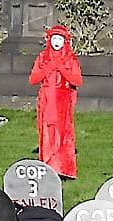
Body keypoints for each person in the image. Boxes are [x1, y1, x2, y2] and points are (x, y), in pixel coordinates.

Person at [28, 25, 82, 179]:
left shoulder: (70, 59)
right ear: (49, 39)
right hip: (46, 100)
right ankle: (48, 164)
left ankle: (63, 167)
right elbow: (33, 79)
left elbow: (77, 80)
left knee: (63, 132)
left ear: (65, 41)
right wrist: (49, 67)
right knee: (47, 130)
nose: (56, 42)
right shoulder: (43, 57)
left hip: (62, 100)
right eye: (54, 38)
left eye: (60, 39)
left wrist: (62, 69)